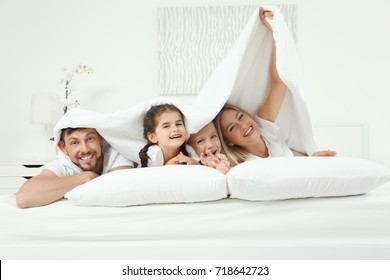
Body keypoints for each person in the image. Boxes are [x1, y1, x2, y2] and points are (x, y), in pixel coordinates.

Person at [214, 8, 336, 166]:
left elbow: (278, 82)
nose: (243, 126)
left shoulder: (265, 130)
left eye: (241, 117)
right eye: (232, 128)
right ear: (229, 142)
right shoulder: (240, 164)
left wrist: (275, 34)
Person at [16, 127, 134, 208]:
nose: (85, 149)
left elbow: (121, 191)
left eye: (90, 139)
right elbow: (24, 198)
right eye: (74, 143)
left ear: (100, 139)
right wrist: (86, 177)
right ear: (63, 147)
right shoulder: (63, 162)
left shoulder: (117, 154)